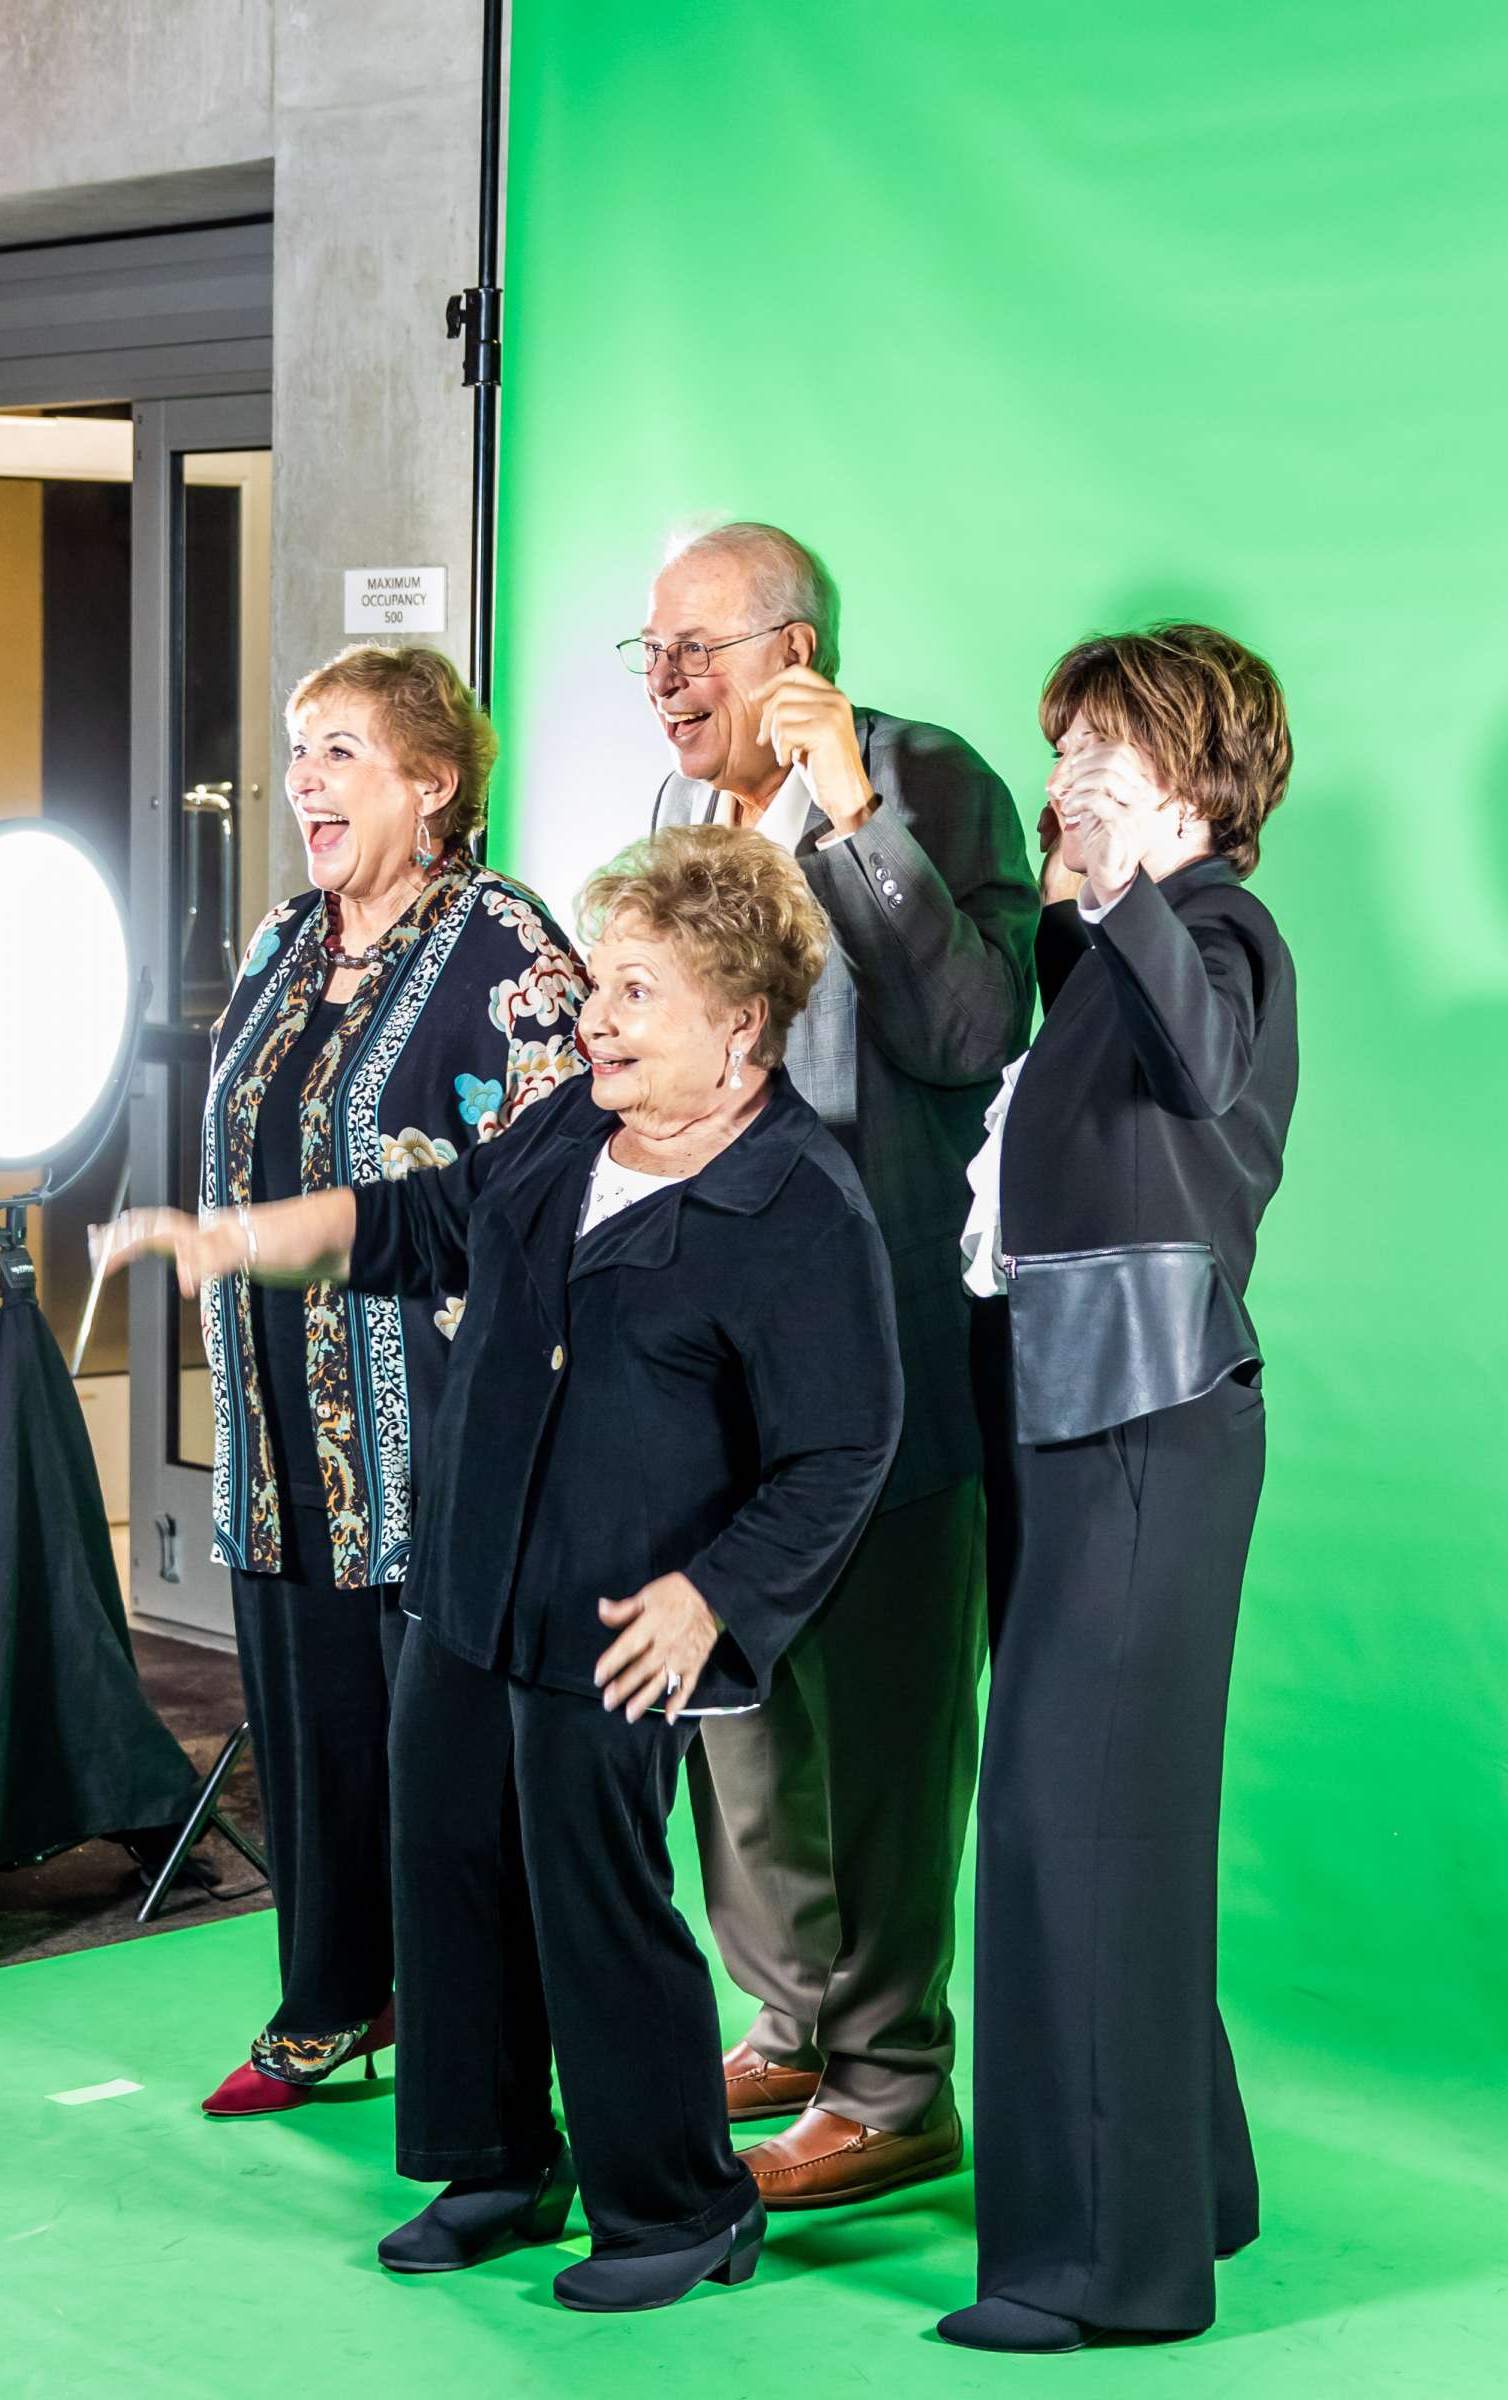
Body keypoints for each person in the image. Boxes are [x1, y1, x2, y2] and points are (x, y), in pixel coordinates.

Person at [96, 823, 904, 2312]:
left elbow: (844, 1448)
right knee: (453, 1865)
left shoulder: (799, 1203)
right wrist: (242, 1239)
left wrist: (717, 1594)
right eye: (602, 981)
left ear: (740, 1024)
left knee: (593, 1897)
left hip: (618, 1617)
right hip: (470, 1582)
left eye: (639, 992)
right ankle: (496, 2165)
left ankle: (676, 2209)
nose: (595, 1015)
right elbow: (427, 1219)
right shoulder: (569, 1134)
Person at [630, 521, 1036, 2204]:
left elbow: (967, 1032)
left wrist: (854, 819)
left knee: (878, 1721)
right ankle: (790, 2018)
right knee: (740, 1710)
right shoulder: (677, 820)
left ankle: (892, 2076)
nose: (667, 685)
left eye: (698, 652)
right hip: (715, 1360)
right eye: (649, 654)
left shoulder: (930, 782)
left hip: (882, 1359)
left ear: (796, 655)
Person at [941, 624, 1298, 2356]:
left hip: (1148, 1427)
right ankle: (1195, 2183)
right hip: (1074, 1422)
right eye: (1063, 743)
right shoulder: (1108, 953)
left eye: (1105, 747)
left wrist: (1133, 882)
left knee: (1062, 1833)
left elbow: (1209, 1069)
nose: (1067, 775)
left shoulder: (1218, 929)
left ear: (1195, 769)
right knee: (1110, 1831)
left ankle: (1105, 2270)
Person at [180, 642, 584, 2117]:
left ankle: (478, 2063)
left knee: (445, 1775)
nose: (304, 782)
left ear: (433, 782)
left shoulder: (507, 946)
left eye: (340, 751)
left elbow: (550, 1196)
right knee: (312, 1736)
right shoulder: (287, 939)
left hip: (438, 1441)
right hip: (282, 1434)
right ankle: (332, 2003)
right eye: (299, 752)